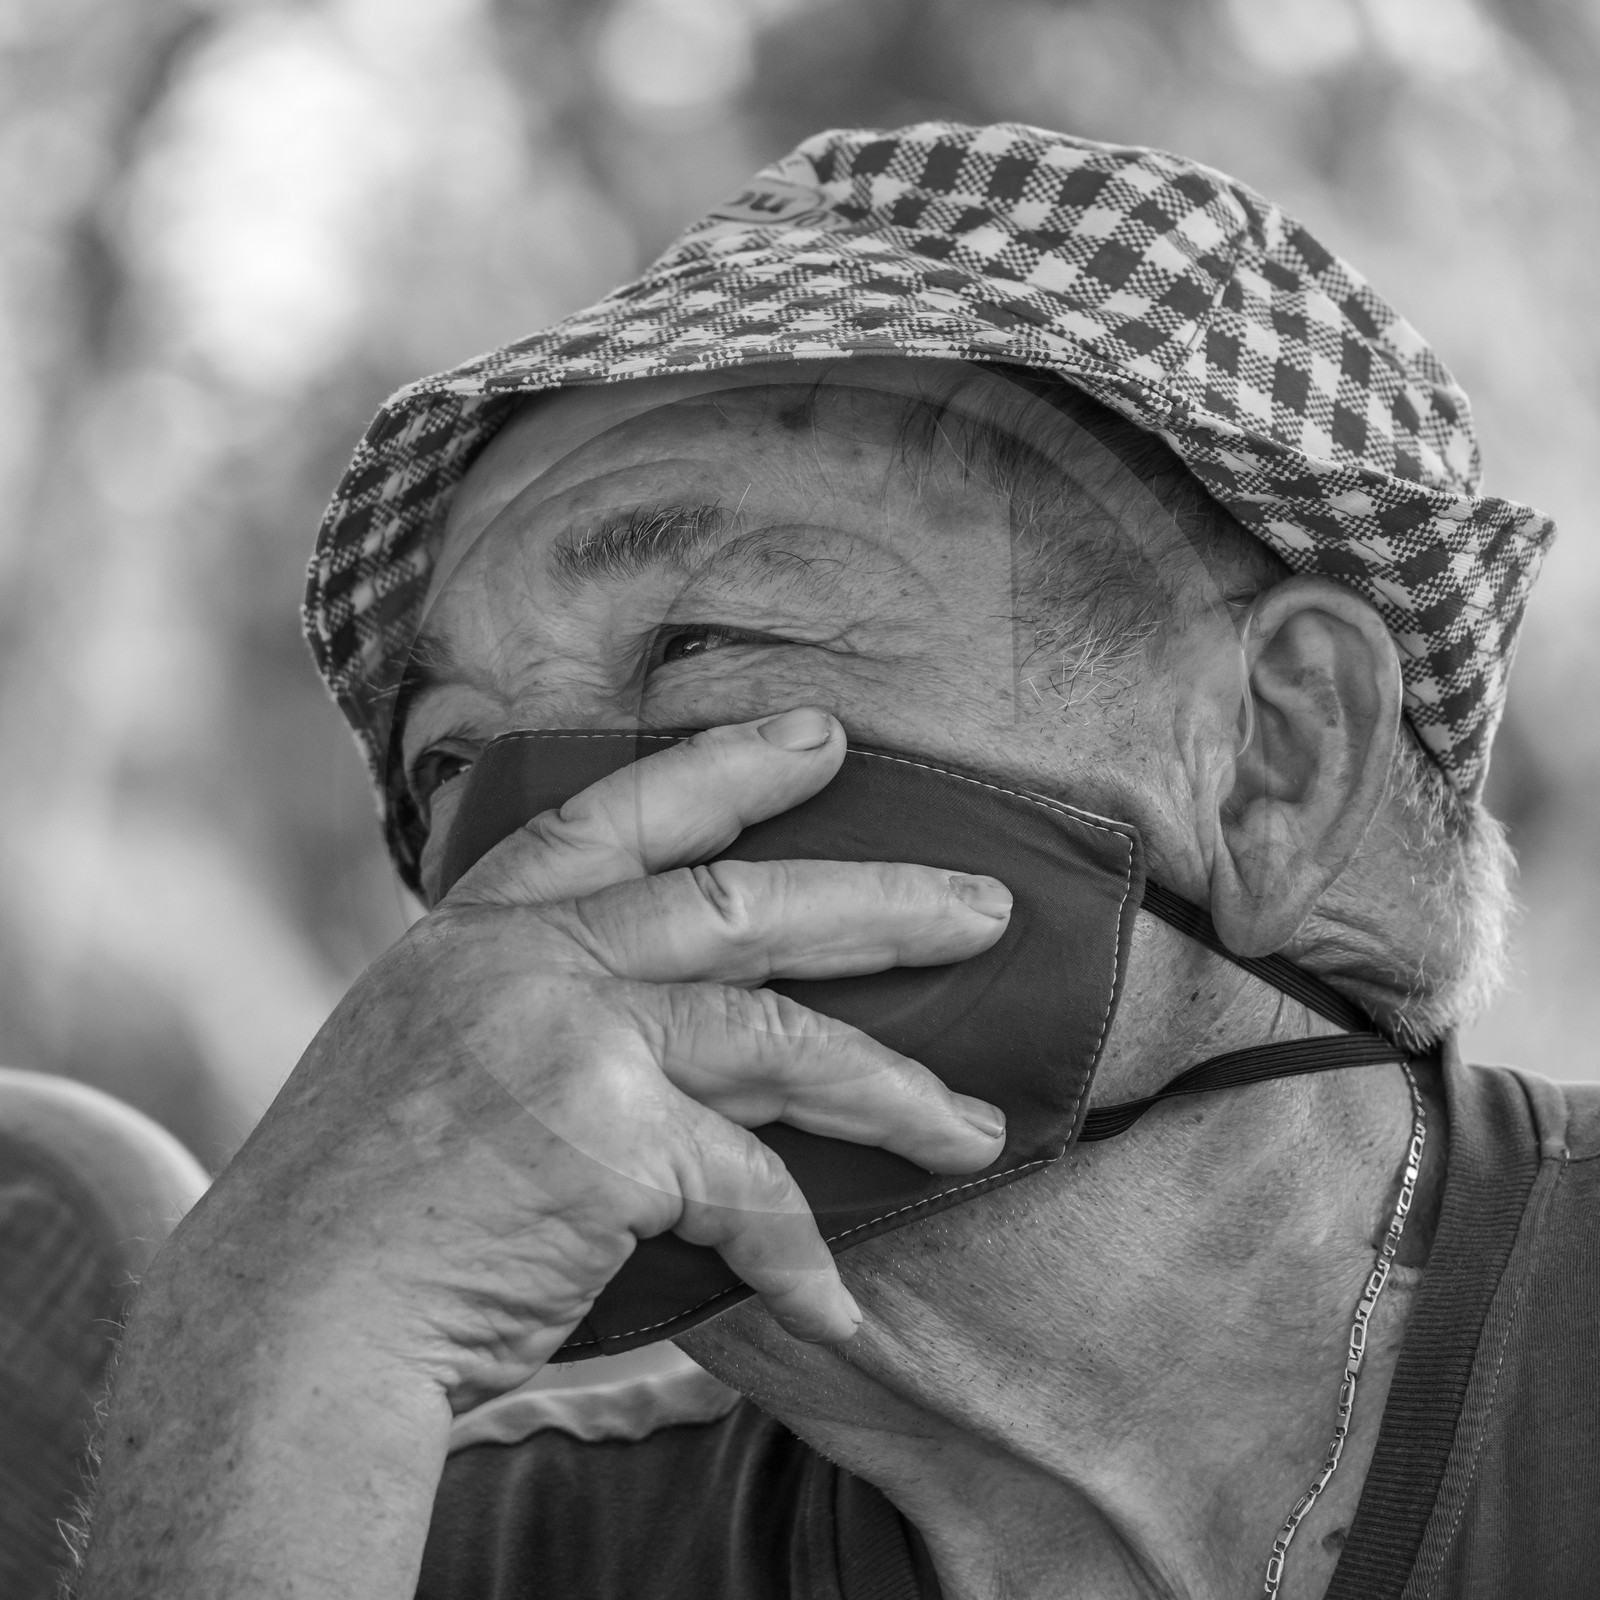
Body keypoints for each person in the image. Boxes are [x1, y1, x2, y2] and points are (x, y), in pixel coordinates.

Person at [70, 123, 1597, 1600]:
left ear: (1280, 754)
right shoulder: (438, 1540)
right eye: (449, 762)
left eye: (701, 647)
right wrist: (270, 1335)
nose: (529, 844)